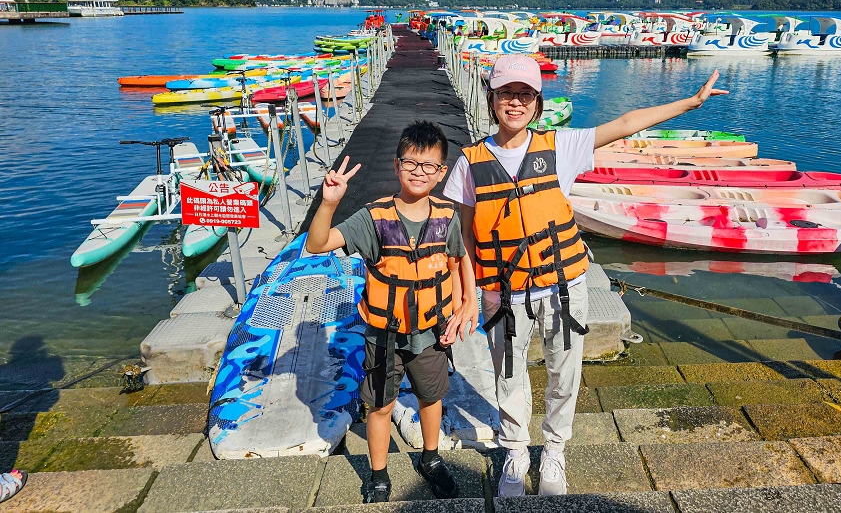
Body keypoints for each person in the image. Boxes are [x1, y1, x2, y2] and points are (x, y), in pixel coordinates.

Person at [443, 55, 727, 497]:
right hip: (502, 291)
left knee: (564, 372)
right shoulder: (469, 161)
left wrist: (690, 103)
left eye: (525, 95)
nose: (514, 103)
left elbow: (628, 122)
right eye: (506, 94)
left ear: (537, 102)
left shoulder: (562, 146)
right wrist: (465, 296)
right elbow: (462, 237)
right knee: (508, 374)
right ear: (491, 99)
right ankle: (516, 452)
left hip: (562, 285)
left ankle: (554, 452)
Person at [306, 121, 479, 504]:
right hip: (383, 334)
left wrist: (467, 302)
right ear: (396, 165)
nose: (419, 172)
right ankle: (379, 473)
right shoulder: (373, 218)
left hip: (432, 333)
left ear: (442, 172)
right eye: (411, 163)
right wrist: (330, 201)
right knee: (380, 405)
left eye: (429, 165)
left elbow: (459, 258)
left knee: (431, 397)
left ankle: (430, 459)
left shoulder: (448, 216)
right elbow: (318, 244)